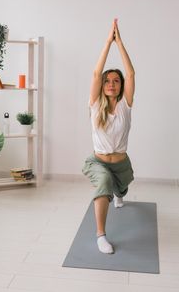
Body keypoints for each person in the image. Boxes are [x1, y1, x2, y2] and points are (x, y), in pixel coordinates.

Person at [82, 19, 135, 254]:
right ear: (102, 85)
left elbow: (131, 73)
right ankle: (101, 235)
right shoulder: (95, 105)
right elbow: (95, 73)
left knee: (120, 190)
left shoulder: (125, 105)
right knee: (103, 183)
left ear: (121, 86)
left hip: (121, 164)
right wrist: (108, 42)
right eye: (107, 81)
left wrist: (120, 43)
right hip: (99, 161)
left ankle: (119, 193)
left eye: (116, 81)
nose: (111, 84)